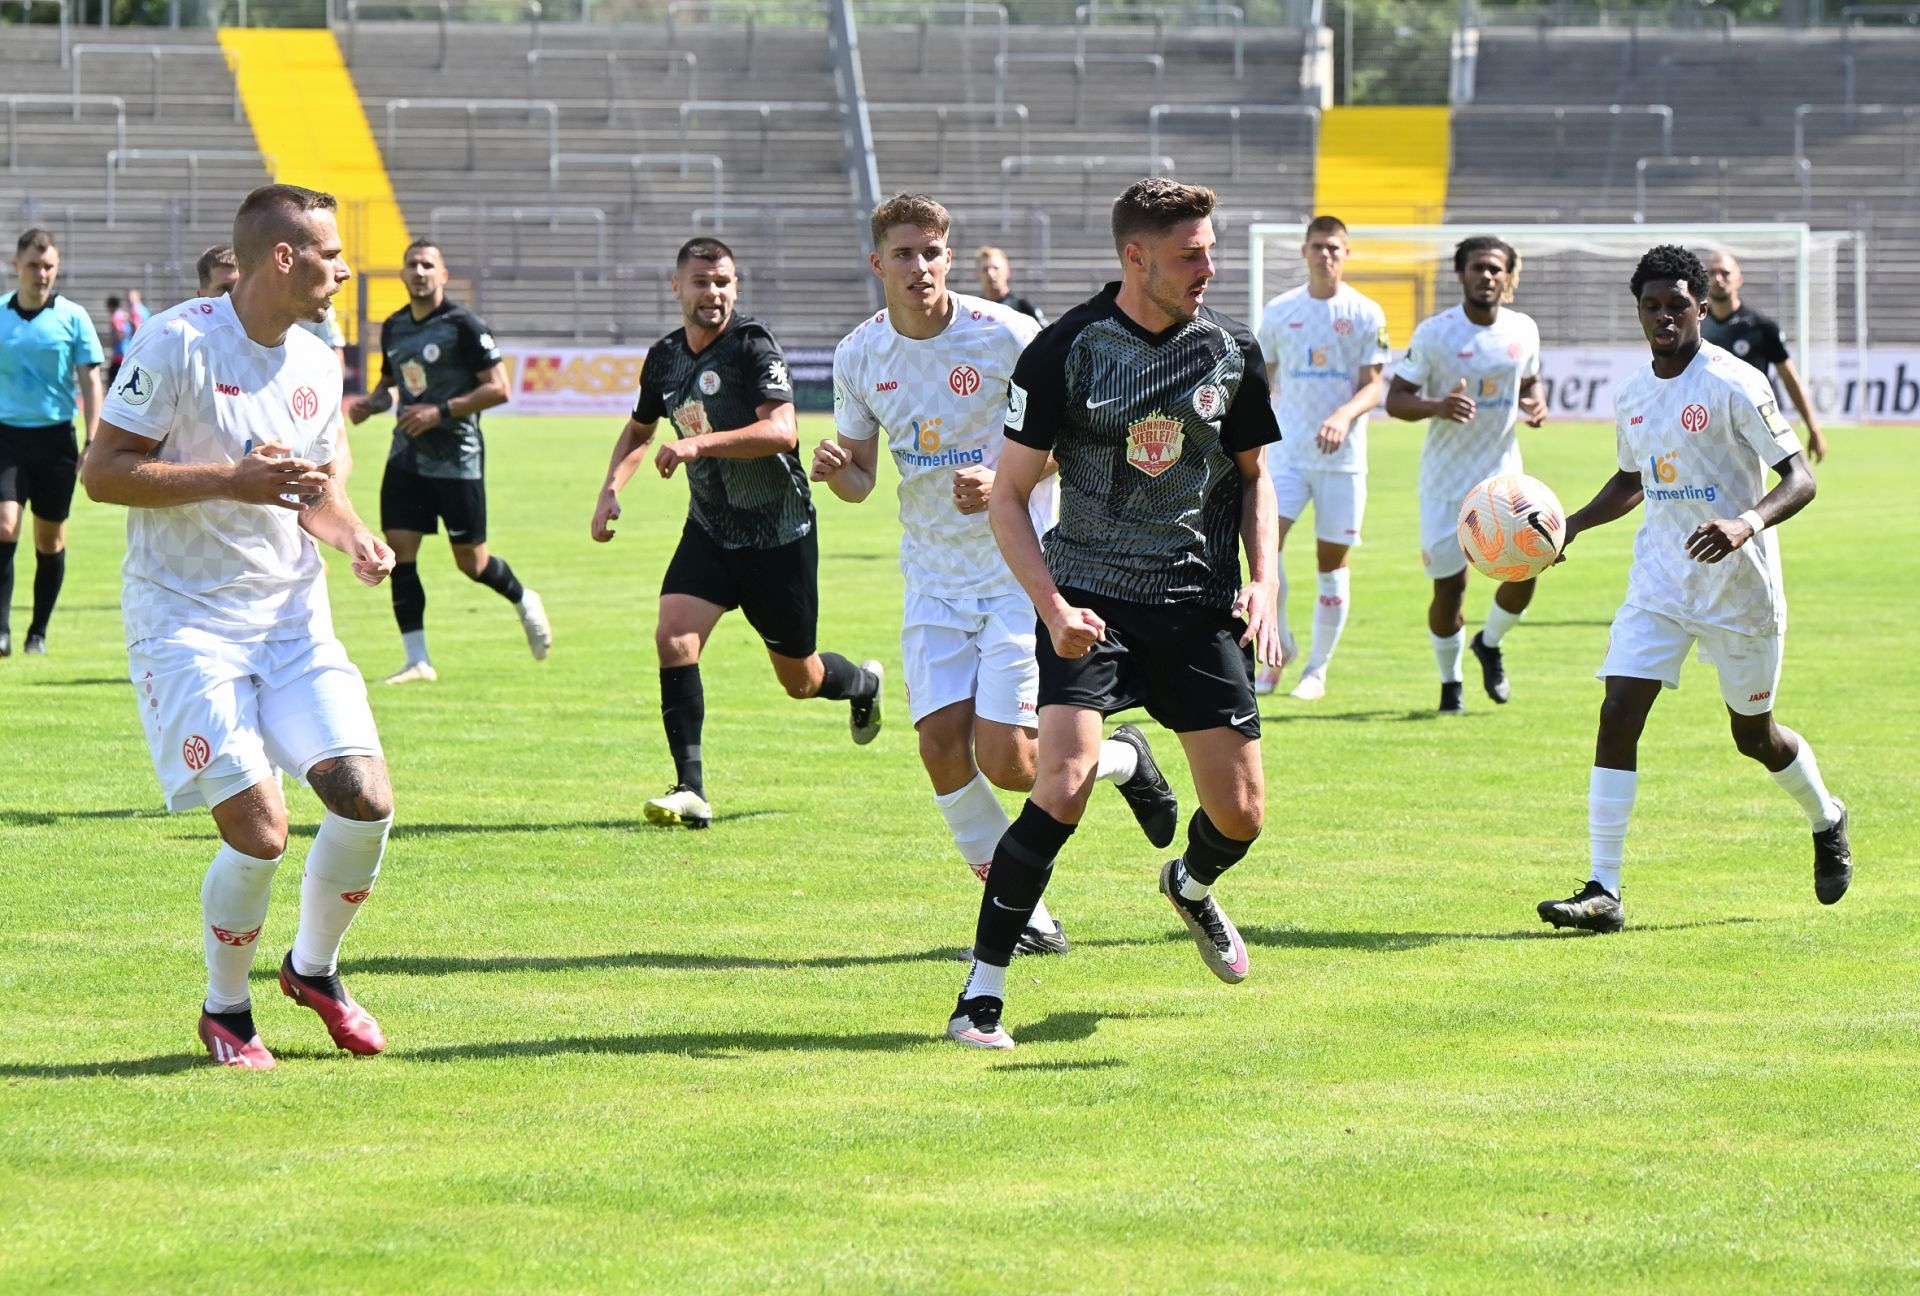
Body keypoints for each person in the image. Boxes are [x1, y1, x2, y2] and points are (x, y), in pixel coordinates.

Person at [946, 178, 1284, 1050]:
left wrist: (1266, 582)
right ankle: (981, 994)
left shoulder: (1230, 351)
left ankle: (1191, 886)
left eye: (1210, 251)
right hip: (1090, 600)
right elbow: (1009, 495)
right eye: (1190, 256)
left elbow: (1255, 478)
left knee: (1242, 814)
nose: (1209, 269)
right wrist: (1052, 607)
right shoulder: (1065, 350)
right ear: (1136, 258)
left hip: (1198, 605)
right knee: (1060, 784)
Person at [81, 183, 400, 1069]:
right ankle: (227, 1010)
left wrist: (353, 536)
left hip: (292, 621)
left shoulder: (318, 359)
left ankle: (314, 970)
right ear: (283, 258)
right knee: (261, 833)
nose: (344, 270)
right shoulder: (176, 342)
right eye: (330, 254)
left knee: (366, 801)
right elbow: (102, 473)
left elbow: (314, 490)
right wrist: (230, 479)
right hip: (186, 625)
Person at [816, 193, 1180, 957]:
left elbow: (1079, 442)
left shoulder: (1009, 336)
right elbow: (861, 481)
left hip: (1022, 569)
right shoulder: (859, 354)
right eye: (904, 254)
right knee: (939, 750)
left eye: (931, 252)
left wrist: (1002, 479)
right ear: (878, 263)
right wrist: (835, 469)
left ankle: (1122, 757)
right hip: (932, 578)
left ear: (949, 257)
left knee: (1011, 762)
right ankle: (1030, 918)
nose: (920, 267)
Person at [1536, 244, 1850, 935]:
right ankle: (1604, 889)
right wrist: (1572, 527)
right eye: (1651, 306)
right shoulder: (1632, 394)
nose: (1663, 316)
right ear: (1639, 313)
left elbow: (1800, 478)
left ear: (1701, 308)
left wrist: (1745, 523)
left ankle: (1826, 817)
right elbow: (1633, 479)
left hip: (1739, 590)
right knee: (1618, 710)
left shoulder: (1735, 382)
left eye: (1676, 304)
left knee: (1755, 738)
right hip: (1660, 583)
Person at [592, 236, 883, 830]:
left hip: (778, 534)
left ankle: (863, 685)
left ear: (736, 286)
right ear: (677, 286)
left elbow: (781, 432)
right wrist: (610, 489)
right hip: (710, 529)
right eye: (701, 282)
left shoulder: (752, 346)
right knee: (674, 637)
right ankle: (690, 790)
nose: (713, 292)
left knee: (800, 680)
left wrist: (697, 445)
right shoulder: (664, 358)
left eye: (723, 281)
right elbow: (640, 430)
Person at [345, 238, 549, 682]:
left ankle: (523, 599)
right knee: (399, 554)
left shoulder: (463, 324)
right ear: (403, 273)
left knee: (472, 563)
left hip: (457, 459)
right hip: (406, 457)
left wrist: (440, 411)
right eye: (412, 265)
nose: (419, 272)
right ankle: (417, 660)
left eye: (427, 265)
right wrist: (369, 405)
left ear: (443, 274)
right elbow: (389, 387)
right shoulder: (395, 326)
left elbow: (499, 388)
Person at [1385, 236, 1547, 714]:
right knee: (1449, 590)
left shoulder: (1524, 329)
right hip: (1445, 485)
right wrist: (1438, 405)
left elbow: (1531, 380)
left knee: (1529, 567)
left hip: (1503, 481)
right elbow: (1395, 400)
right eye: (1478, 267)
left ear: (1508, 276)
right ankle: (1450, 683)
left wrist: (1534, 403)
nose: (1487, 276)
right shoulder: (1435, 333)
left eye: (1496, 269)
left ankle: (1490, 643)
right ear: (1461, 274)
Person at [1252, 214, 1389, 701]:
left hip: (1342, 460)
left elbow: (1374, 385)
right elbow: (1262, 379)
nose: (1325, 255)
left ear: (1346, 253)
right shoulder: (1280, 310)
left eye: (1334, 247)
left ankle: (1317, 670)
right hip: (1287, 455)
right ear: (1304, 251)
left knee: (1331, 564)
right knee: (1265, 550)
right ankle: (1280, 645)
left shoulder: (1366, 312)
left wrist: (1343, 415)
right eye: (1318, 246)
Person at [0, 228, 103, 658]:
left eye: (48, 267)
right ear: (16, 265)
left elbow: (91, 381)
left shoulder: (73, 317)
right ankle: (1, 631)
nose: (41, 274)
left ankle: (37, 633)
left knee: (50, 541)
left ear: (56, 268)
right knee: (4, 525)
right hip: (6, 437)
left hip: (56, 440)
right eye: (33, 265)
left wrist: (93, 440)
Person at [1702, 251, 1827, 462]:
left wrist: (1813, 427)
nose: (1718, 279)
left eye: (1725, 273)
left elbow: (1789, 378)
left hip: (1751, 424)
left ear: (1738, 279)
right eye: (1712, 273)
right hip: (1705, 423)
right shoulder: (1695, 326)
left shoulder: (1761, 327)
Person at [973, 246, 1045, 325]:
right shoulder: (974, 309)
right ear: (977, 274)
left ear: (1008, 272)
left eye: (996, 268)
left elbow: (1045, 330)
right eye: (985, 269)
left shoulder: (1022, 306)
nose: (990, 274)